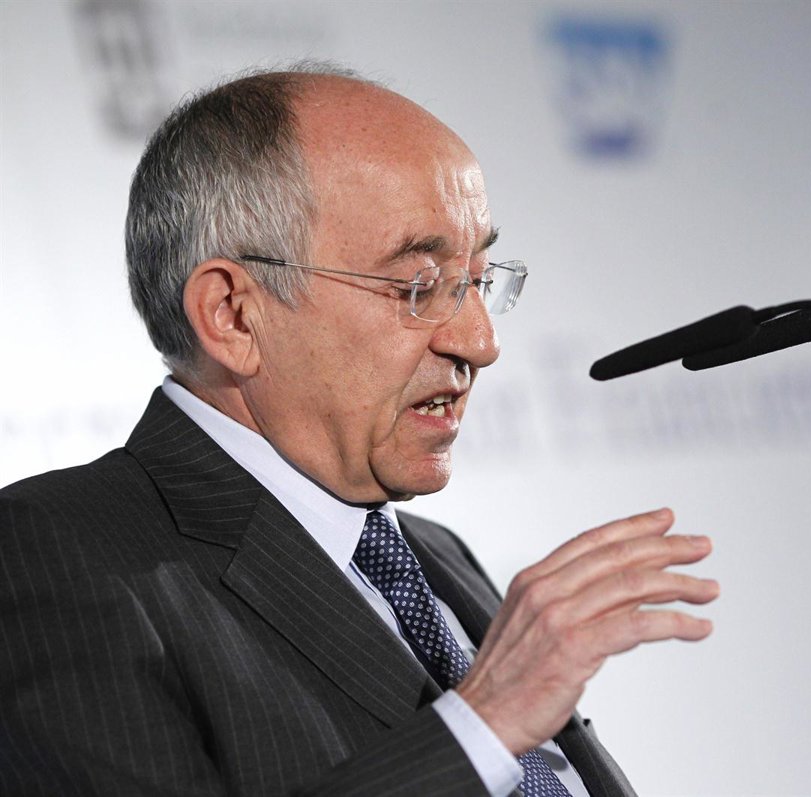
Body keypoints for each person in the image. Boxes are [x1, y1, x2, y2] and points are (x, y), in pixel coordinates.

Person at [0, 64, 719, 797]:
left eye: (477, 281)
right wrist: (485, 723)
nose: (480, 342)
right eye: (418, 286)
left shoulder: (433, 554)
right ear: (233, 315)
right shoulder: (45, 558)